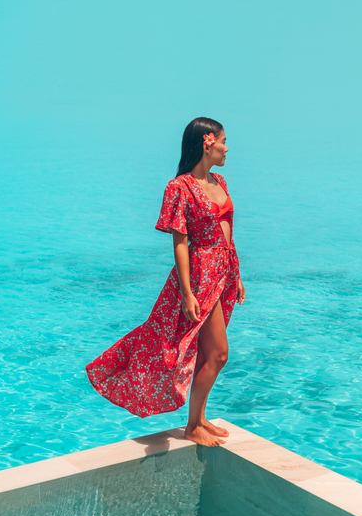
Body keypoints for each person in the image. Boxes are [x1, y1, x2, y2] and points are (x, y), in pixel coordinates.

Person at [86, 117, 244, 447]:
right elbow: (181, 242)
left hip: (223, 272)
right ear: (207, 143)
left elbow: (228, 233)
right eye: (223, 141)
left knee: (205, 354)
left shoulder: (222, 182)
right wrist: (187, 292)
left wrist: (237, 277)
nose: (227, 148)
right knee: (218, 354)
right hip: (200, 277)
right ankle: (191, 426)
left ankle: (199, 419)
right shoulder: (179, 187)